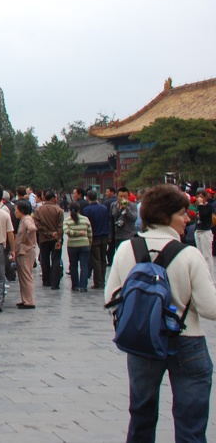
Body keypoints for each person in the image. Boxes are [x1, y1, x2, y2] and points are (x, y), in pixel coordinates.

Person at [104, 184, 216, 442]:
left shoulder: (127, 249)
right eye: (183, 213)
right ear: (166, 215)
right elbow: (210, 308)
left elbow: (110, 297)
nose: (188, 219)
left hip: (143, 341)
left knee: (141, 418)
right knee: (191, 424)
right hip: (188, 342)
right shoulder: (189, 254)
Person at [32, 190, 64, 290]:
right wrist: (58, 237)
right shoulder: (59, 210)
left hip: (43, 238)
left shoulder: (39, 210)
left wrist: (47, 233)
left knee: (44, 260)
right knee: (56, 259)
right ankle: (55, 283)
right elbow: (60, 226)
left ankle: (46, 281)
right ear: (53, 198)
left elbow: (37, 225)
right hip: (55, 239)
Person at [83, 190, 111, 289]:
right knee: (103, 259)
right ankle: (102, 280)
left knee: (96, 260)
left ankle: (98, 282)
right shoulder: (104, 208)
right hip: (105, 236)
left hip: (94, 237)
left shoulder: (87, 210)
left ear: (87, 198)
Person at [13, 199, 37, 309]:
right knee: (23, 276)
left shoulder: (27, 219)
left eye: (16, 210)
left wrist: (27, 241)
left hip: (25, 251)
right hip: (24, 250)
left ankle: (29, 301)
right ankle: (25, 299)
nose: (15, 212)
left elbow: (32, 229)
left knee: (26, 276)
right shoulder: (24, 219)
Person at [63, 203, 92, 292]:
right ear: (79, 210)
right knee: (84, 266)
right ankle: (83, 286)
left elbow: (66, 231)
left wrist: (75, 233)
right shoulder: (85, 219)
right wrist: (89, 242)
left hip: (72, 245)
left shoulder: (67, 220)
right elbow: (90, 233)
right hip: (84, 245)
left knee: (73, 265)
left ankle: (75, 285)